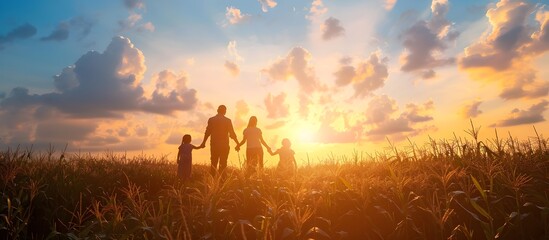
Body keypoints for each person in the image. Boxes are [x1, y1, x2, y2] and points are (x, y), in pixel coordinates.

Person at [200, 105, 239, 175]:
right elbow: (232, 133)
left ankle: (212, 181)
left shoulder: (211, 119)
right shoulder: (228, 121)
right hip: (224, 145)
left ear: (217, 110)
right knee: (223, 164)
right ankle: (222, 180)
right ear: (225, 111)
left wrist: (203, 143)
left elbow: (207, 132)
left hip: (214, 145)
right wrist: (237, 143)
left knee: (213, 163)